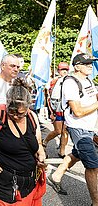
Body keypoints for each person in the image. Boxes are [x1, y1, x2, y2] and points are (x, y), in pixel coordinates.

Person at [48, 53, 98, 205]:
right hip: (78, 128)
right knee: (93, 166)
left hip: (89, 128)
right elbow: (78, 111)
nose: (90, 66)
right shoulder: (70, 83)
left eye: (91, 63)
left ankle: (56, 176)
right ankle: (96, 202)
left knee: (77, 153)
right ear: (77, 66)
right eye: (87, 63)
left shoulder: (88, 79)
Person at [43, 62, 70, 158]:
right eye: (62, 70)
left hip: (67, 107)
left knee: (65, 131)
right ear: (58, 71)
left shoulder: (70, 80)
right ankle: (45, 142)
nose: (65, 71)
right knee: (58, 131)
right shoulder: (53, 81)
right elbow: (48, 98)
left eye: (66, 69)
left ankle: (62, 151)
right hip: (56, 107)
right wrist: (51, 112)